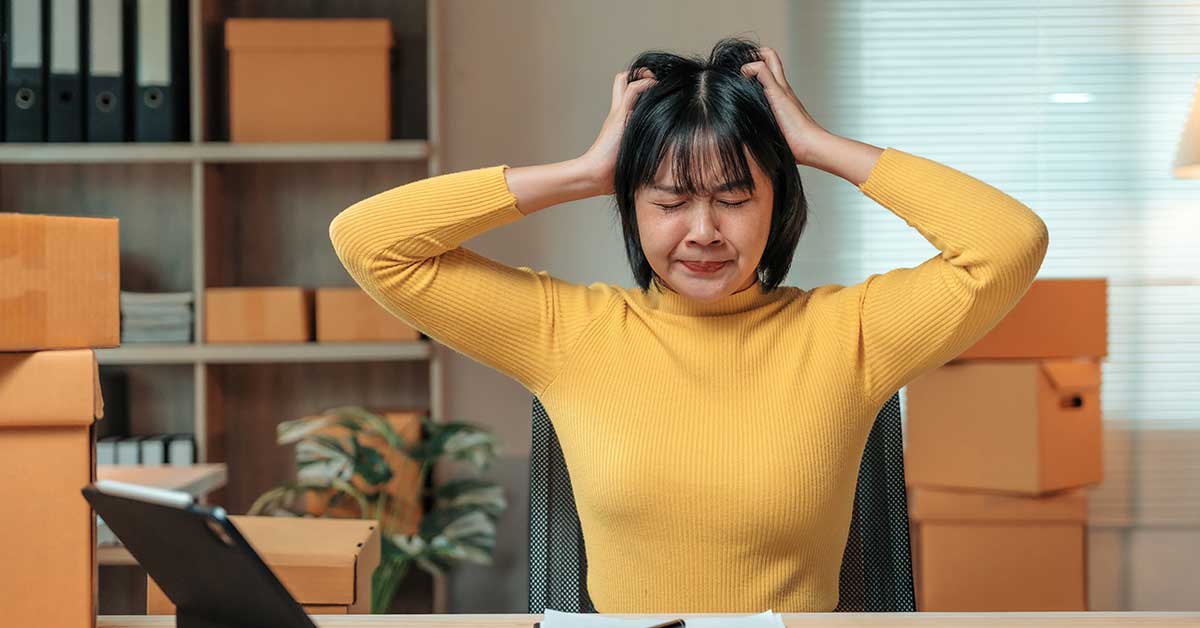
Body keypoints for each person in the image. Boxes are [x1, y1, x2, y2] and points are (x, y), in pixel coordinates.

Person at [329, 38, 1049, 614]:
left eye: (734, 197)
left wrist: (816, 145)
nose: (702, 231)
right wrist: (585, 171)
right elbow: (370, 241)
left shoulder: (849, 333)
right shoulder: (569, 332)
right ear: (630, 205)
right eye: (670, 201)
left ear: (778, 205)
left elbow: (1007, 243)